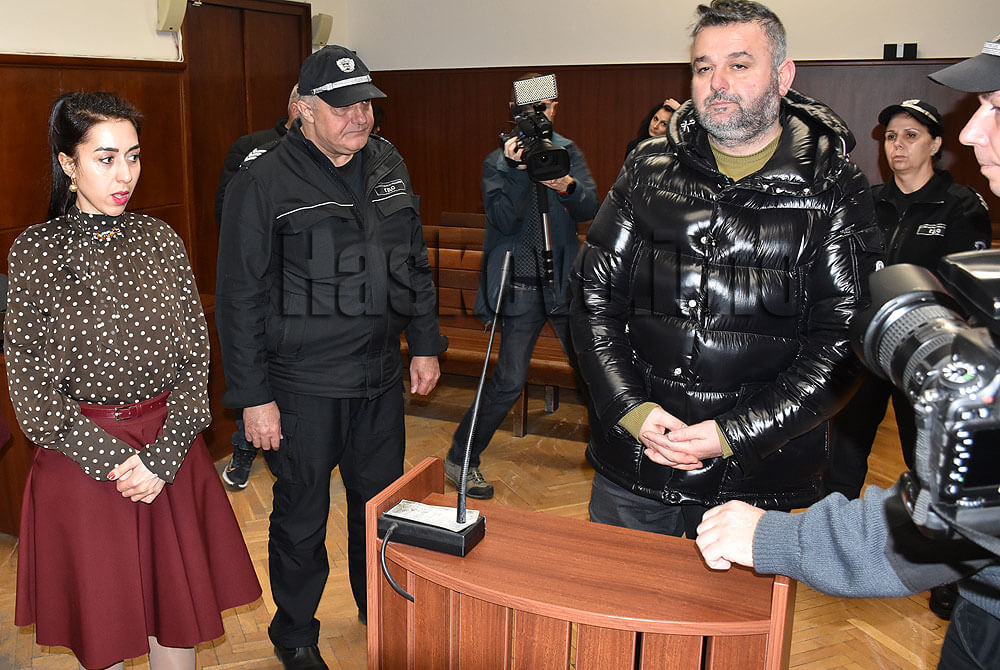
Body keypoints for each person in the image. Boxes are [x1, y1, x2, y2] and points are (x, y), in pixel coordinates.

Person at [696, 35, 1000, 670]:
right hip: (987, 603)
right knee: (848, 452)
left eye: (996, 107)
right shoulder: (871, 198)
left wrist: (779, 537)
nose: (974, 132)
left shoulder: (959, 205)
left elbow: (954, 516)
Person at [568, 0, 881, 539]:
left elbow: (843, 342)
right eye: (703, 67)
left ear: (783, 76)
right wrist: (632, 410)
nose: (717, 83)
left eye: (738, 65)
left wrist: (734, 434)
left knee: (725, 600)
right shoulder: (647, 167)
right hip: (635, 459)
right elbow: (593, 298)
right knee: (616, 596)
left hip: (754, 474)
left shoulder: (833, 184)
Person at [5, 91, 261, 670]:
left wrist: (160, 460)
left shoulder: (161, 240)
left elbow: (196, 356)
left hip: (168, 449)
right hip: (81, 459)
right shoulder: (35, 252)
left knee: (177, 617)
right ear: (68, 164)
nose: (125, 175)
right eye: (106, 158)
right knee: (105, 627)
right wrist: (119, 464)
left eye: (134, 156)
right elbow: (31, 387)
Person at [216, 45, 447, 670]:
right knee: (301, 518)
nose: (359, 117)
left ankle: (379, 611)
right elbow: (238, 297)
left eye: (365, 104)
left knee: (382, 511)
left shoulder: (387, 163)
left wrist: (425, 341)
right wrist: (253, 397)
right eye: (342, 106)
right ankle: (294, 634)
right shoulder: (262, 182)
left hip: (379, 378)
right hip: (302, 385)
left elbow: (411, 261)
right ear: (304, 109)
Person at [443, 72, 599, 500]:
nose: (541, 114)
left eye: (546, 106)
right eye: (533, 108)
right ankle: (461, 458)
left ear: (555, 107)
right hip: (521, 285)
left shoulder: (567, 152)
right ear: (515, 112)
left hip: (563, 282)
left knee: (593, 372)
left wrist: (566, 185)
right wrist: (515, 172)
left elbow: (589, 207)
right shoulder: (498, 161)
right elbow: (502, 220)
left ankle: (612, 454)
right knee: (509, 382)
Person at [826, 100, 990, 498]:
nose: (897, 145)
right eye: (891, 136)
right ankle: (829, 526)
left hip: (926, 351)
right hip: (865, 345)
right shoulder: (866, 200)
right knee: (841, 459)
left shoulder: (961, 205)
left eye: (911, 136)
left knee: (926, 458)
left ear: (935, 145)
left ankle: (925, 527)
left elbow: (966, 292)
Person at [215, 85, 301, 490]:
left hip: (302, 295)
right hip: (261, 283)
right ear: (298, 107)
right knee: (254, 373)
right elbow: (228, 211)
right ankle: (244, 450)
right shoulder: (253, 147)